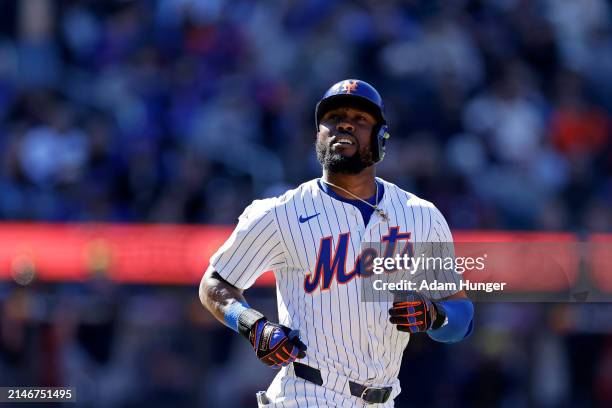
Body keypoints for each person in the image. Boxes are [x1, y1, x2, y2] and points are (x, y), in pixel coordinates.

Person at [199, 79, 474, 407]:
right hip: (306, 392)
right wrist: (251, 325)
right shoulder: (281, 212)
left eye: (360, 119)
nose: (345, 123)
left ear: (380, 137)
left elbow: (462, 316)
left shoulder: (421, 216)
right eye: (334, 117)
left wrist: (435, 316)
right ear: (318, 135)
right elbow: (214, 283)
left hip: (383, 399)